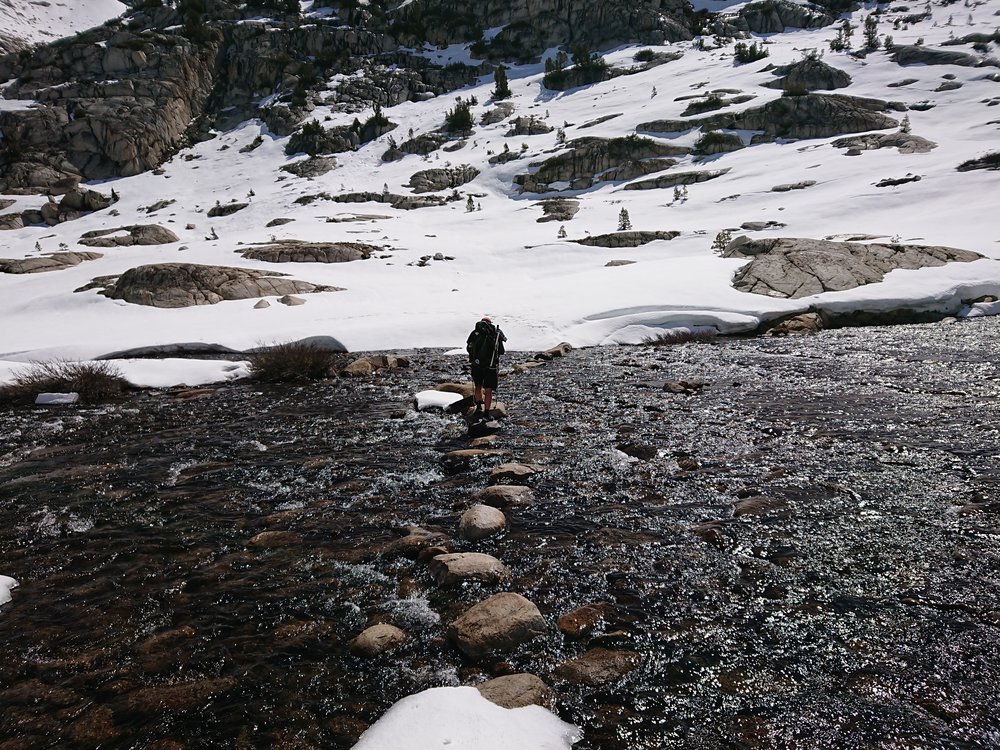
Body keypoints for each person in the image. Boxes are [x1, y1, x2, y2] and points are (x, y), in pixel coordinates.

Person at [466, 316, 507, 420]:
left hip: (476, 365)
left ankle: (479, 407)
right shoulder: (494, 333)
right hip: (490, 366)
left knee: (478, 386)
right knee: (488, 390)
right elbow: (501, 351)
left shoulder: (474, 333)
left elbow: (468, 348)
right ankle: (487, 413)